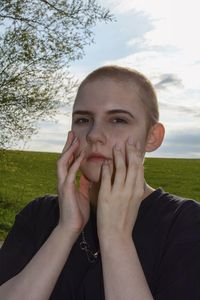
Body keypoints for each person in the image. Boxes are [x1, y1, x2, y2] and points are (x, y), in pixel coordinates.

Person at [0, 65, 200, 300]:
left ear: (152, 137)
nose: (94, 134)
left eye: (117, 120)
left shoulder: (185, 223)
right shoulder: (39, 215)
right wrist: (65, 230)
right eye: (83, 119)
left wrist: (115, 236)